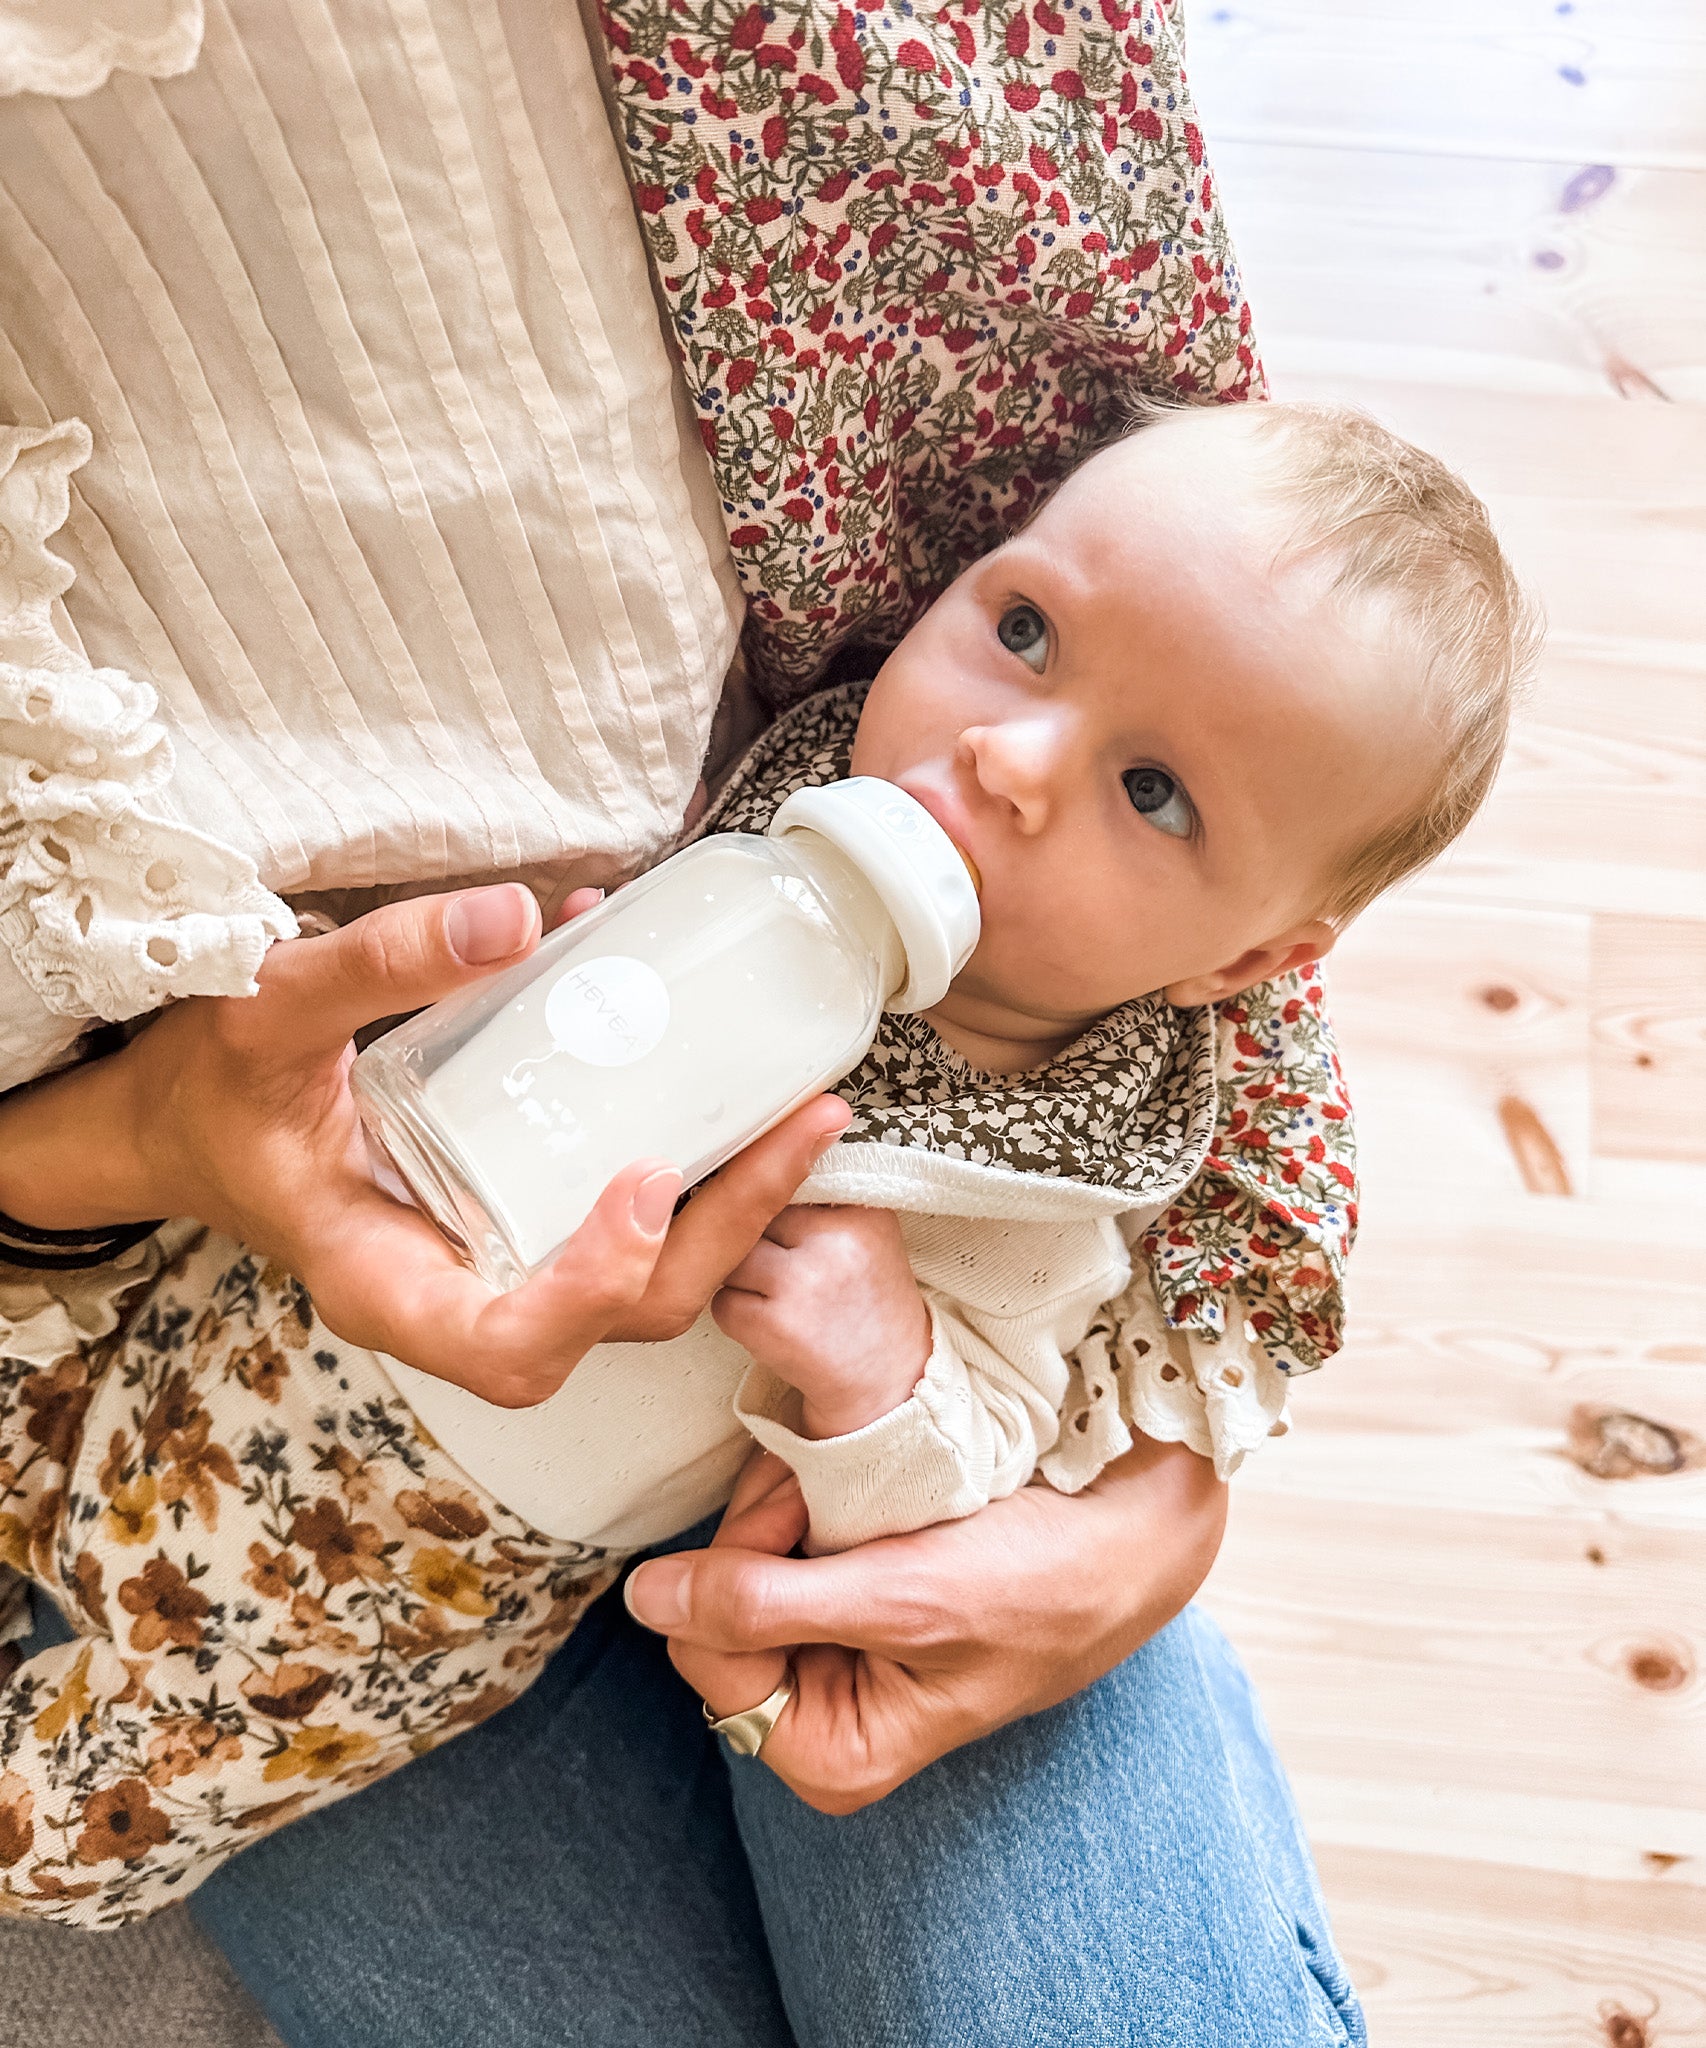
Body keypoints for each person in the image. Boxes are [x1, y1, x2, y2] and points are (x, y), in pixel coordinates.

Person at [0, 0, 1371, 2037]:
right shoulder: (798, 808)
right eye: (1014, 633)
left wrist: (897, 1396)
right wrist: (160, 1130)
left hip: (570, 1560)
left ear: (1242, 964)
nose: (1004, 762)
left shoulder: (1064, 1163)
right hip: (222, 1341)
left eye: (1145, 792)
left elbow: (1004, 1417)